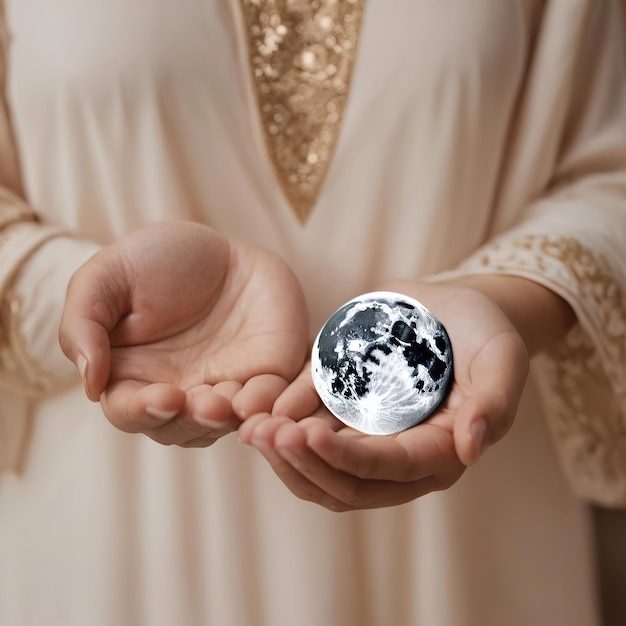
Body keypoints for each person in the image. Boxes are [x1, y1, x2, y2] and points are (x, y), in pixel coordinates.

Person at [0, 1, 625, 624]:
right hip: (114, 526)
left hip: (469, 505)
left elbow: (609, 179)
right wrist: (87, 298)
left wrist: (502, 298)